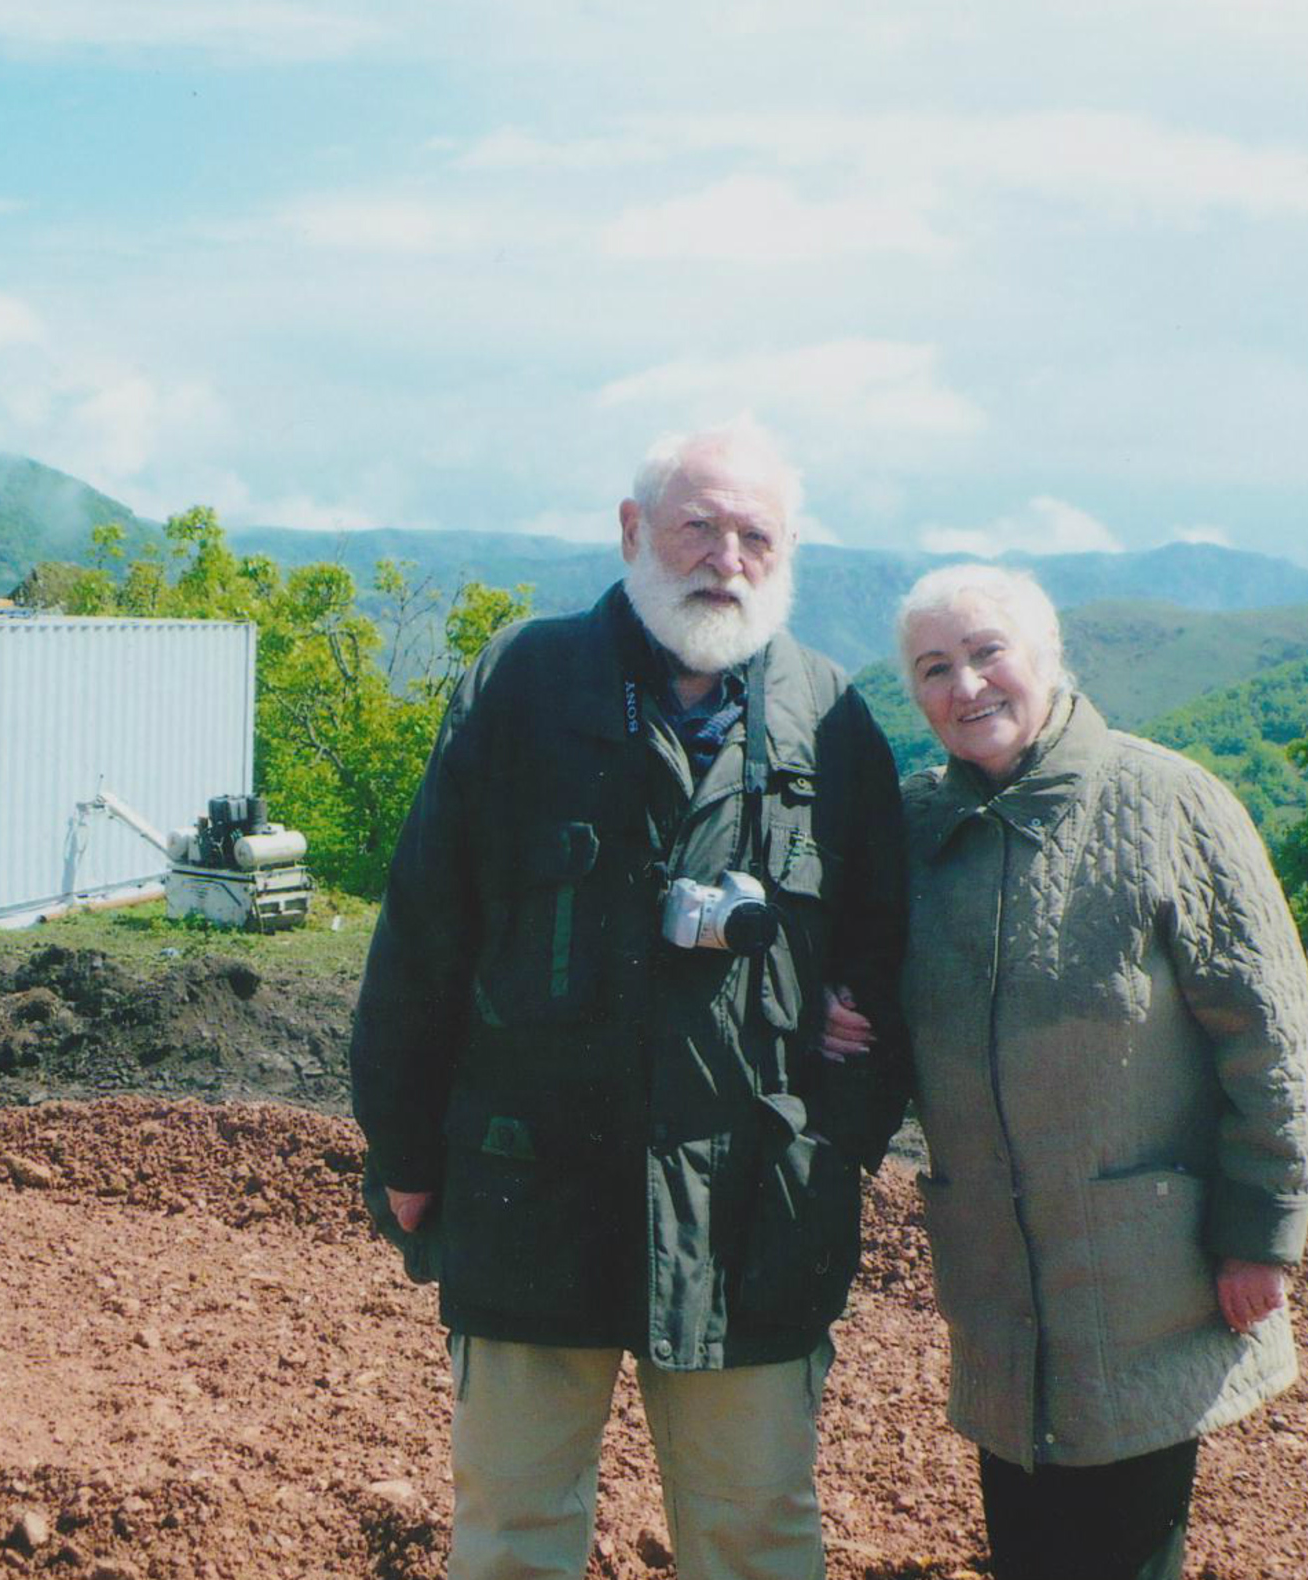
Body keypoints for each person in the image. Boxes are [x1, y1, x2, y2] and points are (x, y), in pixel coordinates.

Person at [348, 419, 910, 1580]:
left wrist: (836, 1147)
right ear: (632, 530)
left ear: (787, 553)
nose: (726, 558)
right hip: (529, 1190)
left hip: (752, 1214)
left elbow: (886, 961)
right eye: (699, 525)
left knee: (756, 1535)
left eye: (756, 535)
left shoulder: (829, 715)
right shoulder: (521, 682)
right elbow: (423, 933)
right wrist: (403, 1149)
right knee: (513, 1532)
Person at [869, 562, 1308, 1580]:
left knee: (1125, 1552)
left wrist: (1261, 1231)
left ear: (1047, 655)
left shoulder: (1168, 802)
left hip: (1145, 1278)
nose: (966, 685)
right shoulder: (914, 829)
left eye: (987, 652)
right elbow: (883, 1012)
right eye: (934, 668)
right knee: (1026, 1549)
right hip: (998, 1288)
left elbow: (1270, 1033)